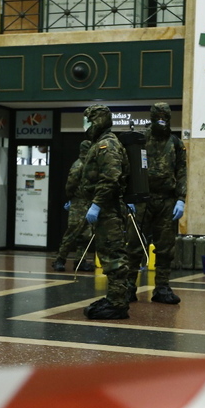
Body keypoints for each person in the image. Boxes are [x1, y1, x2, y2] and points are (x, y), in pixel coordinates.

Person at [124, 102, 187, 303]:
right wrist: (129, 196)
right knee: (134, 245)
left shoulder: (176, 143)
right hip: (142, 199)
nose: (162, 119)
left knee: (165, 247)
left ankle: (162, 288)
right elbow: (129, 168)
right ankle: (128, 287)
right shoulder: (140, 140)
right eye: (158, 116)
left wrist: (181, 199)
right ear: (151, 117)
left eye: (165, 116)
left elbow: (182, 172)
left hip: (167, 200)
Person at [78, 104, 130, 319]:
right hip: (105, 210)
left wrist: (97, 204)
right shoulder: (99, 143)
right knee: (108, 254)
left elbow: (111, 177)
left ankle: (118, 303)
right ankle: (115, 297)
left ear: (98, 120)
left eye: (88, 120)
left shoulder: (106, 145)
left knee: (113, 257)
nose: (86, 125)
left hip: (108, 210)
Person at [53, 140, 95, 272]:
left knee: (86, 235)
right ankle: (59, 260)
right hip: (78, 202)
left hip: (88, 202)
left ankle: (80, 261)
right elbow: (70, 185)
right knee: (72, 233)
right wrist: (72, 198)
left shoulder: (91, 165)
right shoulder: (79, 165)